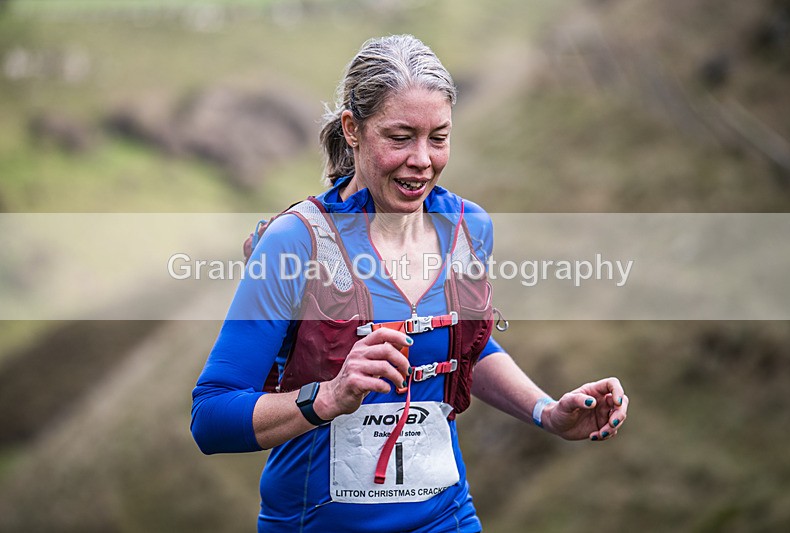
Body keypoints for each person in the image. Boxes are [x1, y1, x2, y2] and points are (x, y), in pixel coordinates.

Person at [191, 34, 629, 532]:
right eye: (400, 138)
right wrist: (328, 398)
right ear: (353, 129)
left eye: (438, 138)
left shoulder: (468, 228)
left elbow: (466, 349)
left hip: (447, 517)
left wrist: (547, 412)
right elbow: (211, 417)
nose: (422, 159)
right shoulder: (296, 243)